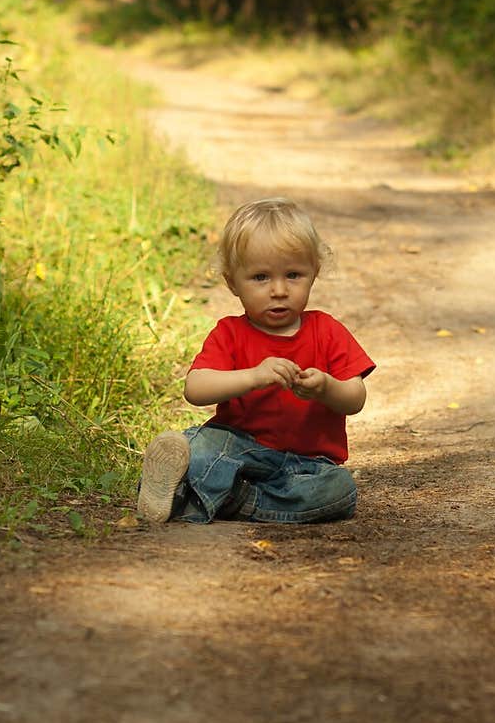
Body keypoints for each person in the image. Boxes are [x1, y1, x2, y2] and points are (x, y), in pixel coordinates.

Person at [137, 197, 375, 525]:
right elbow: (195, 388)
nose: (279, 290)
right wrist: (253, 376)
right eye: (261, 278)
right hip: (239, 451)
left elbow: (355, 398)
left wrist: (325, 387)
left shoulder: (327, 330)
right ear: (232, 282)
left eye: (293, 275)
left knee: (340, 490)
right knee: (199, 444)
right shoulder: (231, 333)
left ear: (314, 274)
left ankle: (231, 500)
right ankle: (171, 488)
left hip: (307, 466)